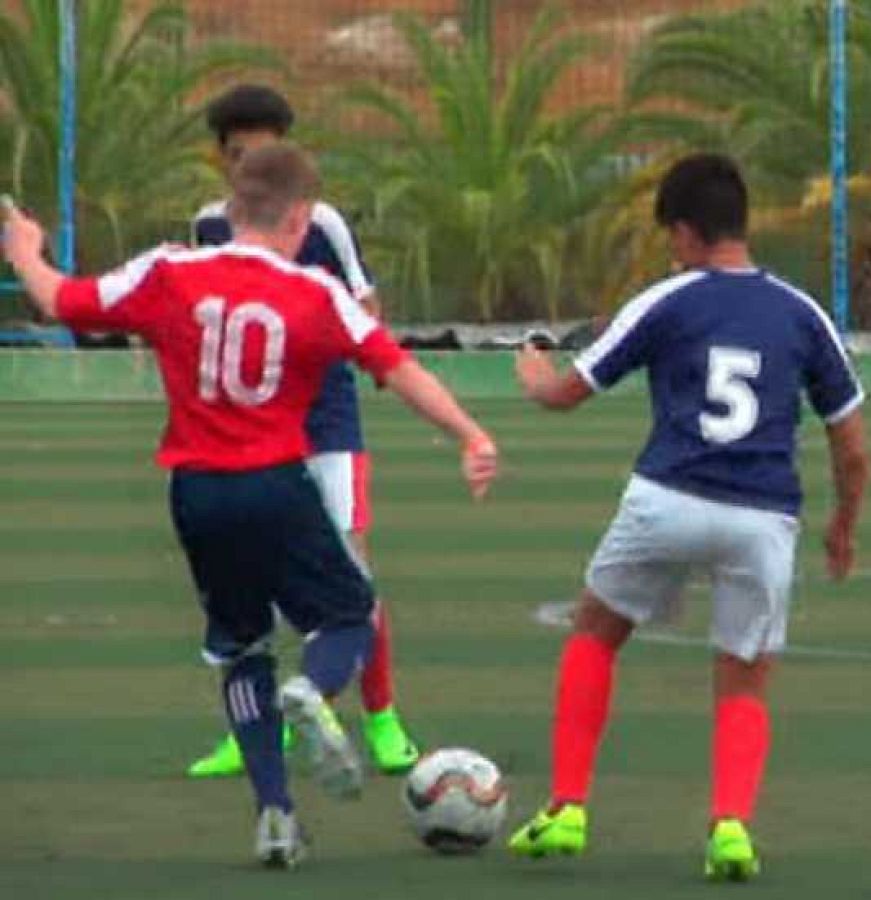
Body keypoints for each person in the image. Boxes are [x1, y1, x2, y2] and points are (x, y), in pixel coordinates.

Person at [0, 144, 498, 866]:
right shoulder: (314, 291)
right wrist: (469, 433)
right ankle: (313, 687)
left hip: (197, 492)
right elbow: (396, 365)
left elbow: (59, 299)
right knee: (351, 613)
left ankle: (275, 813)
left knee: (239, 648)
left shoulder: (169, 270)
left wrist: (25, 249)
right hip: (276, 482)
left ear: (231, 212)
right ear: (300, 218)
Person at [504, 153, 871, 882]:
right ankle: (730, 829)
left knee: (597, 632)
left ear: (683, 231)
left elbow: (570, 391)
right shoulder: (803, 313)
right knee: (743, 677)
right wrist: (843, 526)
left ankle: (568, 806)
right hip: (762, 519)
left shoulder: (668, 299)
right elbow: (853, 446)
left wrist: (534, 374)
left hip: (666, 501)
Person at [184, 84, 423, 778]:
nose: (250, 166)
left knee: (353, 574)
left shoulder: (322, 223)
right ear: (222, 159)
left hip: (324, 423)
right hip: (244, 433)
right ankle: (255, 730)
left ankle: (381, 719)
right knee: (243, 581)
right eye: (237, 155)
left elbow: (365, 306)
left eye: (263, 153)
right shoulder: (206, 226)